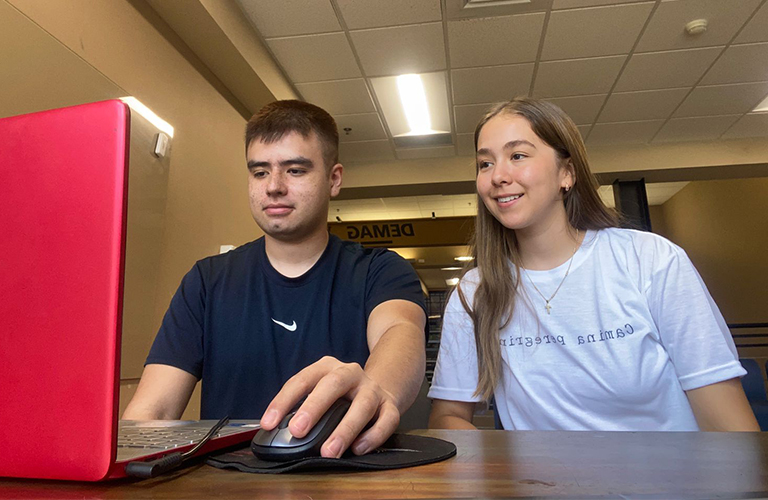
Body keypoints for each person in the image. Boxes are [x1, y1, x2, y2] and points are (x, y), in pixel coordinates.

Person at [427, 97, 758, 432]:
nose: (498, 175)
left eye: (518, 156)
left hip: (670, 483)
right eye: (485, 164)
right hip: (537, 485)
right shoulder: (475, 290)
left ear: (566, 173)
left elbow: (728, 423)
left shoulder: (650, 259)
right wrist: (502, 475)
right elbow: (448, 418)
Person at [123, 100, 427, 458]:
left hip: (344, 478)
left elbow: (399, 332)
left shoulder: (380, 270)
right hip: (228, 487)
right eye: (260, 172)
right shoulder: (206, 282)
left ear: (334, 179)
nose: (274, 187)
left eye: (295, 170)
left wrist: (379, 389)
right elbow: (152, 413)